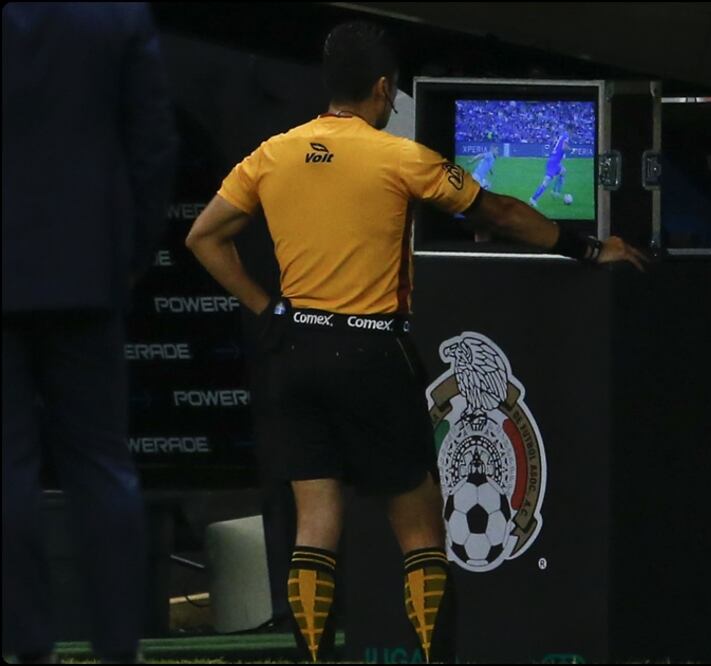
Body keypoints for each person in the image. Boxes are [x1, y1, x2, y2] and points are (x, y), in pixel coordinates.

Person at [185, 20, 645, 664]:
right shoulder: (399, 156)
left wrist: (268, 312)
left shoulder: (274, 152)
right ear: (381, 88)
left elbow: (204, 239)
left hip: (296, 353)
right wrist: (589, 246)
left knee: (315, 524)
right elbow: (499, 212)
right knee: (420, 527)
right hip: (373, 352)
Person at [2, 3, 177, 664]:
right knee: (103, 468)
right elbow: (154, 143)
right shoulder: (115, 13)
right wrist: (128, 255)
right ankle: (117, 650)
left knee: (5, 468)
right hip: (86, 271)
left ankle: (26, 648)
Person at [528, 122, 574, 207]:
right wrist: (571, 149)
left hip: (555, 162)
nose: (573, 134)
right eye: (573, 132)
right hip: (553, 163)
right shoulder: (566, 136)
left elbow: (557, 144)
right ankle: (533, 199)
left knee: (563, 171)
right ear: (570, 130)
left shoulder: (562, 135)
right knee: (545, 183)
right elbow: (564, 147)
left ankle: (555, 191)